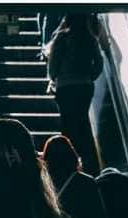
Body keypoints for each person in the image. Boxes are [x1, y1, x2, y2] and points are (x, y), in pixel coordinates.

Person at [47, 13, 104, 176]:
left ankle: (68, 163)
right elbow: (99, 63)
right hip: (84, 87)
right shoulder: (90, 38)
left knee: (67, 123)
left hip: (65, 87)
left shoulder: (61, 38)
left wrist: (55, 77)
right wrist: (89, 76)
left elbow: (53, 64)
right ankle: (91, 166)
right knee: (83, 122)